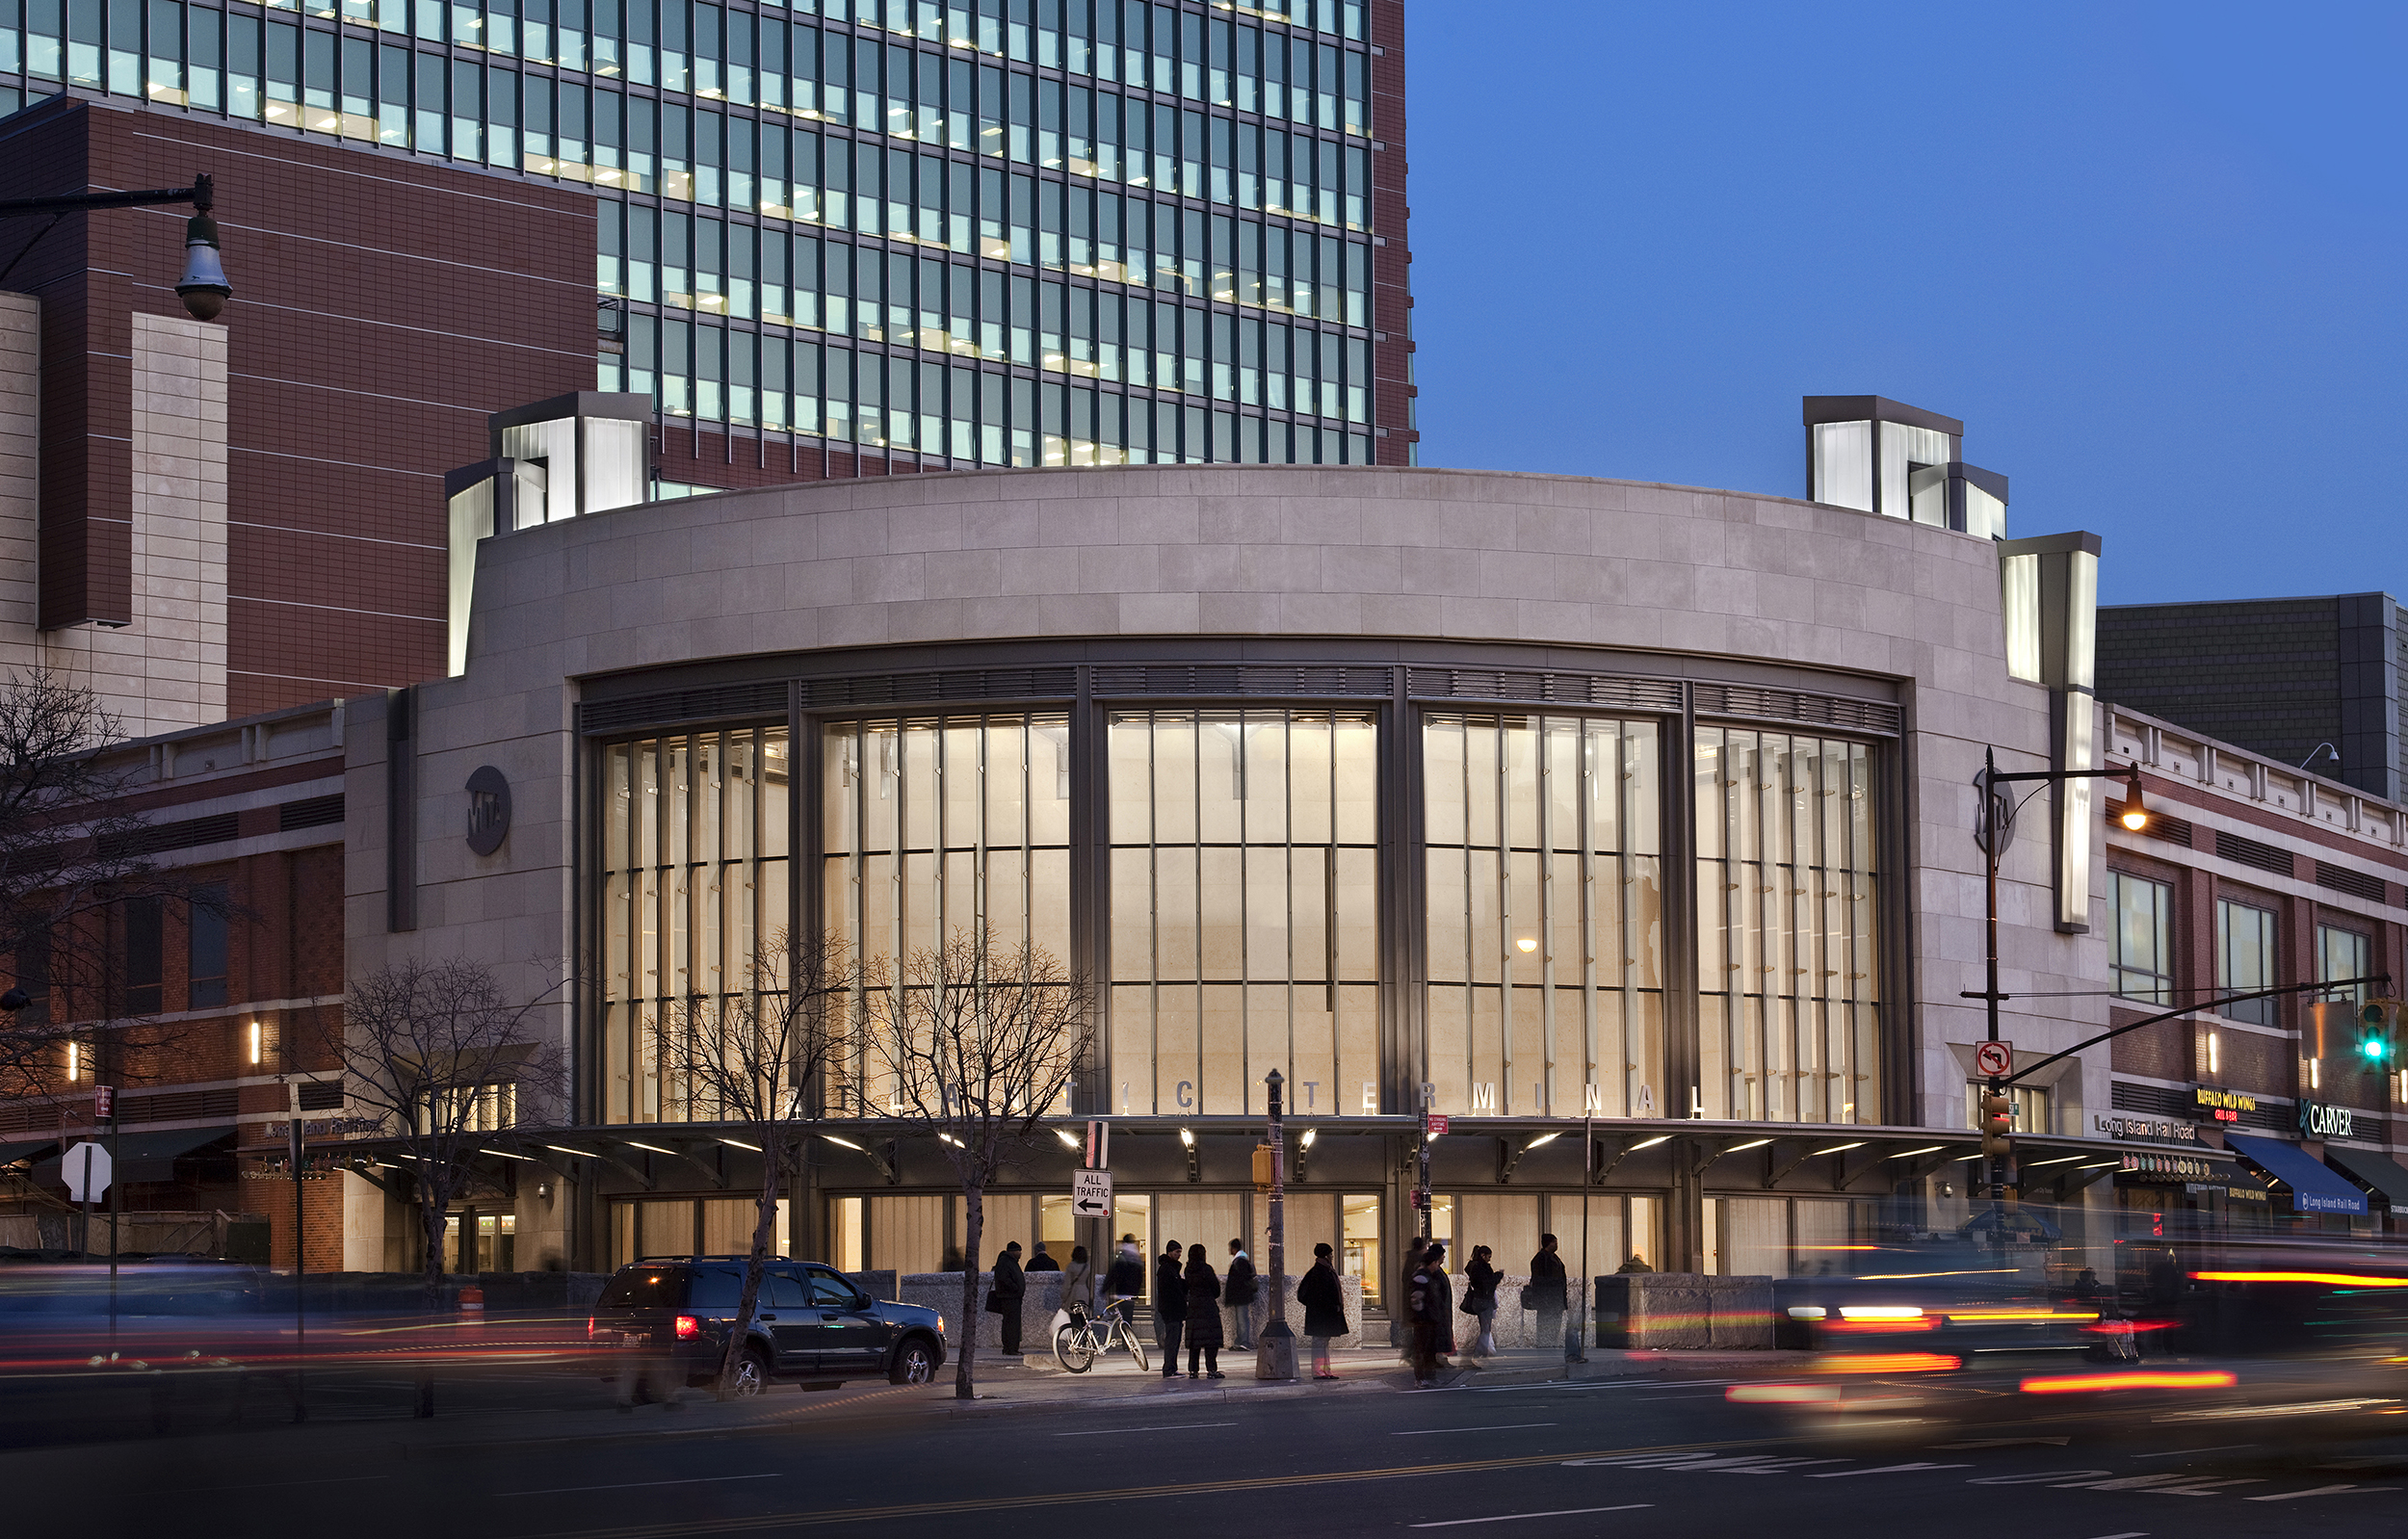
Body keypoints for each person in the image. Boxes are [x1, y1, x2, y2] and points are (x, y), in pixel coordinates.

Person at [1297, 1241, 1348, 1379]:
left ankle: (1325, 1371)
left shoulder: (1323, 1270)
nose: (1332, 1256)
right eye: (1330, 1254)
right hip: (1321, 1314)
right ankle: (1319, 1372)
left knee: (1323, 1342)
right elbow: (1320, 1294)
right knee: (1320, 1342)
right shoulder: (1320, 1272)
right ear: (1326, 1256)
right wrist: (1329, 1306)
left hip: (1322, 1313)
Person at [1407, 1240, 1450, 1388]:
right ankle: (1420, 1378)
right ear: (1431, 1263)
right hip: (1424, 1320)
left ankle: (1430, 1376)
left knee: (1430, 1349)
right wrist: (1422, 1317)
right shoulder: (1421, 1277)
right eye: (1435, 1263)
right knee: (1422, 1349)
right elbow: (1416, 1300)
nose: (1437, 1266)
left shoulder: (1430, 1276)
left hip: (1431, 1319)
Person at [1183, 1244, 1225, 1378]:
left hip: (1194, 1308)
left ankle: (1193, 1370)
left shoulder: (1188, 1270)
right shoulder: (1207, 1269)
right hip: (1208, 1308)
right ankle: (1211, 1369)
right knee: (1211, 1341)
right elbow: (1216, 1289)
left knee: (1194, 1342)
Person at [1528, 1234, 1568, 1353]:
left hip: (1557, 1298)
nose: (1556, 1244)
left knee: (1555, 1323)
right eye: (1554, 1242)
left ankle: (1552, 1344)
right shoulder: (1540, 1258)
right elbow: (1538, 1280)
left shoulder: (1555, 1258)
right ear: (1548, 1243)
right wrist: (1554, 1282)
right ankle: (1544, 1346)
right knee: (1545, 1323)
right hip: (1546, 1299)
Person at [1154, 1240, 1188, 1378]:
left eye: (1180, 1252)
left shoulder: (1171, 1268)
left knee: (1174, 1340)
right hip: (1171, 1309)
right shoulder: (1167, 1269)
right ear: (1169, 1252)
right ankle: (1169, 1368)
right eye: (1177, 1252)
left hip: (1174, 1309)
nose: (1179, 1255)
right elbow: (1170, 1291)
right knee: (1172, 1340)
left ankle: (1172, 1367)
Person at [1463, 1244, 1501, 1362]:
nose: (1489, 1260)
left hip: (1477, 1300)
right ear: (1483, 1255)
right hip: (1484, 1300)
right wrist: (1498, 1275)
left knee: (1484, 1327)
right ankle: (1479, 1352)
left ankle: (1483, 1351)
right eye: (1488, 1257)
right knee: (1486, 1328)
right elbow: (1489, 1283)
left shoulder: (1473, 1266)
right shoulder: (1482, 1268)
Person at [990, 1240, 1027, 1356]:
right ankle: (1011, 1348)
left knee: (1012, 1323)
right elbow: (1004, 1279)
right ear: (1012, 1251)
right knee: (1011, 1324)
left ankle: (1011, 1347)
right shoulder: (1006, 1262)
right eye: (1018, 1251)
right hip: (1010, 1297)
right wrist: (1015, 1288)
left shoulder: (1010, 1262)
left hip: (1013, 1297)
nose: (1020, 1253)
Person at [1223, 1239, 1258, 1350]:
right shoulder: (1242, 1260)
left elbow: (1239, 1280)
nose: (1229, 1250)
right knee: (1240, 1319)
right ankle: (1239, 1342)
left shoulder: (1239, 1262)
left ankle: (1244, 1342)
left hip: (1241, 1296)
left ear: (1234, 1249)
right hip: (1243, 1296)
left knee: (1242, 1319)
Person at [1396, 1236, 1427, 1356]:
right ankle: (1413, 1352)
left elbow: (1405, 1278)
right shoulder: (1418, 1260)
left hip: (1410, 1298)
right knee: (1419, 1327)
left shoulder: (1410, 1258)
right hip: (1417, 1299)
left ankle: (1412, 1352)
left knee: (1417, 1328)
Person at [1106, 1234, 1146, 1327]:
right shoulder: (1136, 1256)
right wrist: (1136, 1291)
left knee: (1118, 1317)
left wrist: (1105, 1289)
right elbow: (1139, 1277)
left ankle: (1121, 1332)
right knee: (1128, 1319)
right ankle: (1127, 1334)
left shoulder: (1121, 1255)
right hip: (1130, 1295)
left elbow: (1113, 1274)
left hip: (1120, 1293)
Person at [1058, 1244, 1094, 1321]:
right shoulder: (1088, 1267)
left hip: (1073, 1294)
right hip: (1085, 1294)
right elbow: (1090, 1284)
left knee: (1074, 1319)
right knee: (1085, 1319)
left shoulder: (1071, 1267)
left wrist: (1063, 1297)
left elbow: (1067, 1285)